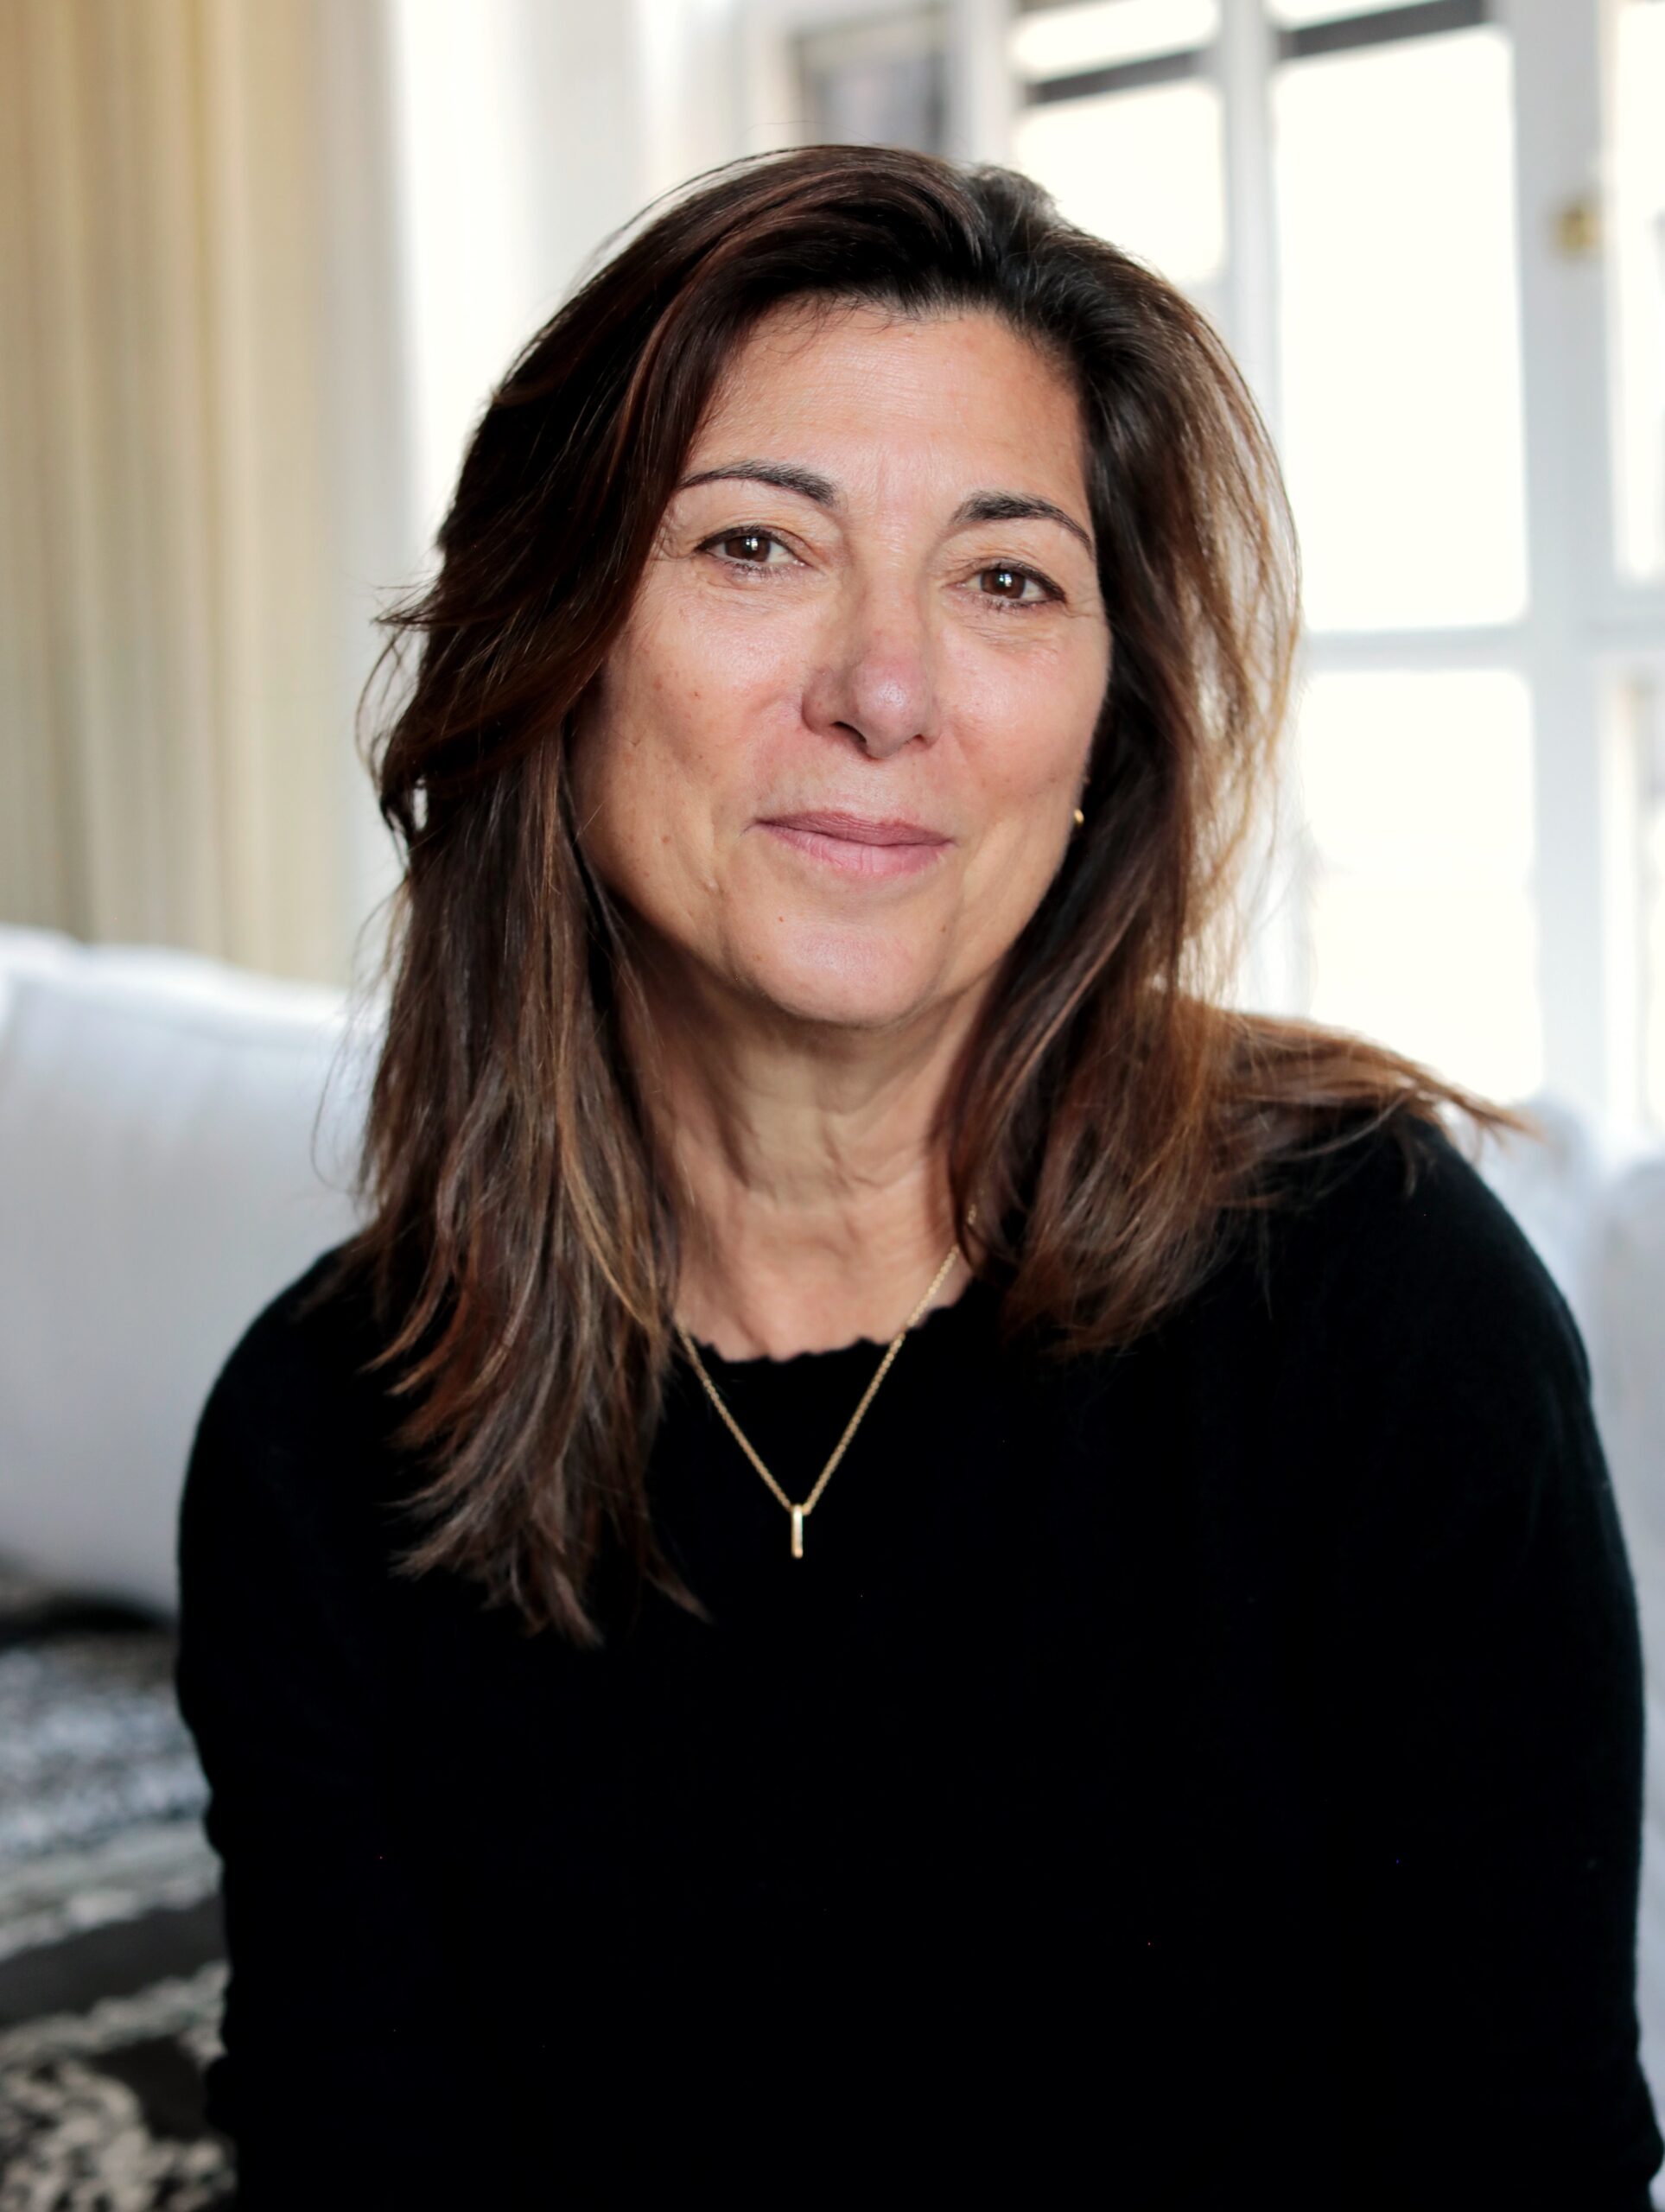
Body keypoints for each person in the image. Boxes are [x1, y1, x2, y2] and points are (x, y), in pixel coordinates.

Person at [173, 143, 1663, 2209]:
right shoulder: (323, 1442)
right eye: (759, 546)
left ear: (1099, 738)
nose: (885, 691)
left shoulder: (1379, 1305)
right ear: (558, 645)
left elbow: (1529, 2170)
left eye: (1005, 580)